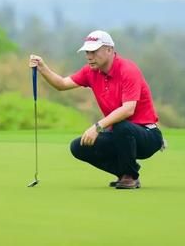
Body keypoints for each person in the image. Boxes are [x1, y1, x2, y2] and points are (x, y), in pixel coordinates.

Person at [29, 30, 164, 189]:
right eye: (87, 51)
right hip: (120, 135)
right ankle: (124, 172)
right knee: (79, 147)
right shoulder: (90, 71)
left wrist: (97, 127)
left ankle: (130, 176)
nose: (89, 56)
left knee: (122, 126)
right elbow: (62, 84)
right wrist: (42, 68)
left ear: (109, 50)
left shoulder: (128, 69)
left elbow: (128, 110)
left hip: (147, 135)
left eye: (94, 51)